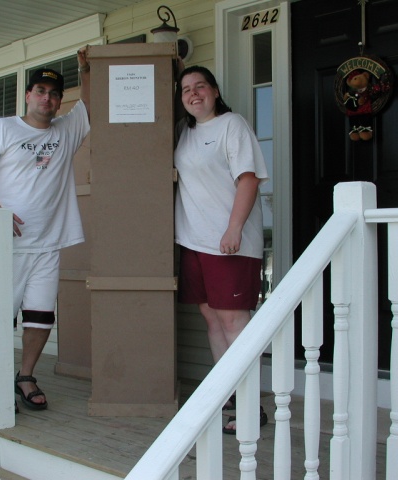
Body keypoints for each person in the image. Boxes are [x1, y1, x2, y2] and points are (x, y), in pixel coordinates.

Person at [0, 48, 91, 411]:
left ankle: (25, 376)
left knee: (40, 315)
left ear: (59, 100)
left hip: (48, 244)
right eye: (40, 91)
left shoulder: (67, 130)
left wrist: (84, 68)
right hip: (4, 244)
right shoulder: (0, 129)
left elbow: (91, 103)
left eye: (53, 94)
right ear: (28, 95)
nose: (46, 98)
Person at [174, 66, 269, 434]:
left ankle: (250, 406)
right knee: (213, 320)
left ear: (214, 90)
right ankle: (229, 396)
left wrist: (234, 229)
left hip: (229, 243)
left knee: (233, 322)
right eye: (186, 90)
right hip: (193, 242)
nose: (194, 93)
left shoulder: (233, 125)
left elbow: (248, 178)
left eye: (200, 86)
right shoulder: (184, 133)